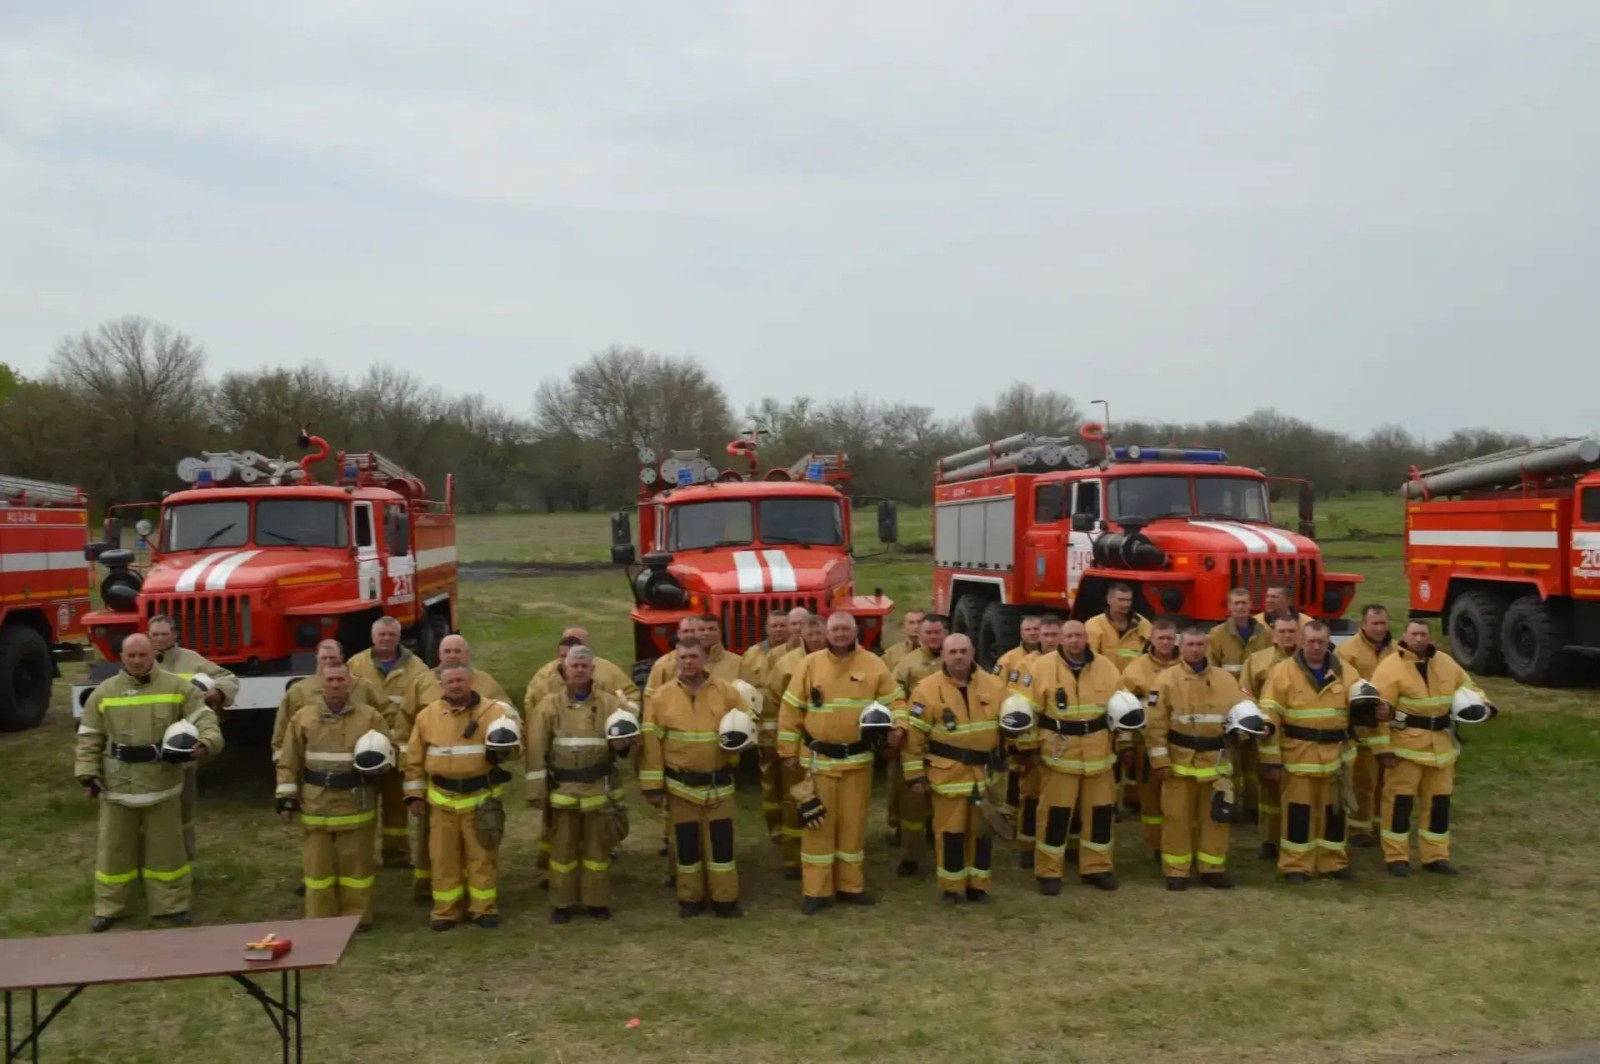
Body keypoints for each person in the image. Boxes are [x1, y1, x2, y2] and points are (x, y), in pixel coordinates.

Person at [75, 633, 222, 931]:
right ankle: (110, 908)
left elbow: (205, 719)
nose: (137, 661)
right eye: (131, 656)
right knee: (113, 852)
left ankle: (171, 907)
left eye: (143, 655)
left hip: (162, 785)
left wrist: (207, 743)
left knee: (167, 852)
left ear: (154, 654)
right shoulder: (104, 693)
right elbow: (89, 737)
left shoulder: (177, 687)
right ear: (121, 657)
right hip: (117, 787)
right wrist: (88, 773)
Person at [780, 611, 905, 914]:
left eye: (845, 629)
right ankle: (816, 891)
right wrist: (787, 751)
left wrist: (899, 726)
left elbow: (897, 701)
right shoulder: (809, 665)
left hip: (857, 763)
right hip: (819, 763)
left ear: (854, 631)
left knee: (853, 826)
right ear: (827, 633)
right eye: (834, 629)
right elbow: (790, 709)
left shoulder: (874, 665)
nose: (839, 634)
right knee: (818, 826)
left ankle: (851, 886)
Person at [405, 663, 521, 930]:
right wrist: (414, 795)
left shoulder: (495, 712)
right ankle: (445, 911)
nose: (455, 685)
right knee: (443, 859)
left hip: (481, 800)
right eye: (450, 682)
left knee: (482, 857)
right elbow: (414, 760)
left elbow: (516, 750)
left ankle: (483, 908)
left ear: (470, 682)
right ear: (441, 686)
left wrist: (505, 751)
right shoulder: (427, 716)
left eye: (460, 680)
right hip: (441, 801)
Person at [275, 664, 392, 928]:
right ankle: (320, 919)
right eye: (331, 680)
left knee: (357, 867)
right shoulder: (303, 718)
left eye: (341, 679)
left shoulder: (370, 717)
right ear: (322, 684)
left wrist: (379, 768)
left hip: (356, 802)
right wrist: (285, 797)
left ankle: (357, 917)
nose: (336, 684)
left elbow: (389, 751)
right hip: (317, 804)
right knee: (318, 869)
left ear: (349, 683)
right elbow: (289, 760)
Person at [640, 638, 751, 918]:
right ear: (677, 659)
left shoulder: (727, 692)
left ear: (704, 659)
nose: (688, 662)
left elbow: (748, 725)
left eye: (693, 656)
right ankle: (690, 899)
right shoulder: (661, 697)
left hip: (718, 785)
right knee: (686, 847)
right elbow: (652, 744)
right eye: (683, 657)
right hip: (681, 787)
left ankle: (725, 900)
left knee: (721, 847)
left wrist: (739, 747)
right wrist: (653, 787)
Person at [1370, 620, 1486, 877]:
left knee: (1438, 805)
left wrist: (1484, 705)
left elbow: (1468, 687)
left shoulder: (1446, 663)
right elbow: (1377, 713)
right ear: (1405, 636)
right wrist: (1382, 749)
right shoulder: (1390, 667)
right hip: (1405, 751)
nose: (1419, 639)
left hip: (1441, 750)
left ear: (1430, 637)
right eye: (1414, 634)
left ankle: (1436, 856)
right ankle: (1396, 857)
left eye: (1423, 634)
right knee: (1399, 805)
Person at [525, 646, 634, 922]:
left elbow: (627, 741)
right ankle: (561, 903)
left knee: (598, 851)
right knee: (562, 851)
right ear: (565, 668)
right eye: (575, 665)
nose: (580, 670)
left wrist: (624, 746)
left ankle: (596, 901)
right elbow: (536, 749)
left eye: (585, 666)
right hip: (563, 792)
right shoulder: (548, 705)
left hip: (598, 790)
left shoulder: (610, 703)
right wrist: (537, 791)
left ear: (593, 669)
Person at [901, 633, 1008, 903]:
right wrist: (914, 775)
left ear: (972, 653)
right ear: (944, 655)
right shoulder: (926, 689)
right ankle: (951, 887)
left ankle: (978, 886)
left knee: (982, 834)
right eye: (953, 652)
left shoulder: (995, 686)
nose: (958, 656)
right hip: (947, 775)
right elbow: (914, 739)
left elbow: (1008, 727)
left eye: (963, 651)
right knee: (950, 834)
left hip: (984, 776)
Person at [1020, 619, 1123, 893]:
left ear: (1087, 638)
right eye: (1070, 636)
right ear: (1061, 639)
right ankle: (1048, 872)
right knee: (1054, 816)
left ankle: (1097, 868)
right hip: (1059, 757)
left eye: (1079, 635)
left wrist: (1123, 743)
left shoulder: (1106, 667)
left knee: (1101, 814)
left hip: (1099, 756)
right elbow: (1027, 711)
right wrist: (1028, 749)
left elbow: (1120, 708)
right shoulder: (1041, 668)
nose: (1075, 640)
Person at [1257, 621, 1361, 884]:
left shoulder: (1345, 671)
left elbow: (1361, 704)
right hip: (1299, 757)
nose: (1316, 647)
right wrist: (1270, 760)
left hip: (1335, 758)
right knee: (1298, 814)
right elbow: (1269, 715)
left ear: (1328, 643)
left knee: (1334, 813)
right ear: (1302, 642)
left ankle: (1333, 862)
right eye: (1311, 641)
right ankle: (1295, 865)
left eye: (1321, 642)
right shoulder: (1282, 672)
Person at [1147, 628, 1246, 890]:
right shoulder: (1166, 680)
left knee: (1216, 819)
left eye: (1200, 644)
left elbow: (1241, 712)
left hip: (1216, 762)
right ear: (1181, 647)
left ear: (1207, 646)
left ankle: (1212, 869)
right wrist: (1160, 760)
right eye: (1190, 644)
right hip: (1179, 762)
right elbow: (1155, 724)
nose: (1195, 649)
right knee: (1176, 819)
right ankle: (1176, 871)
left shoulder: (1225, 680)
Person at [147, 614, 237, 862]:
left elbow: (227, 677)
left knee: (184, 807)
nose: (159, 639)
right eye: (155, 634)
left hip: (183, 746)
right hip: (149, 747)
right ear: (148, 636)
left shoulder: (191, 660)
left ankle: (185, 858)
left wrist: (218, 693)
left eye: (164, 634)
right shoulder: (143, 661)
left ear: (174, 635)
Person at [347, 617, 433, 868]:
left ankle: (397, 854)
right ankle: (360, 855)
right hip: (365, 748)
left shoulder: (418, 668)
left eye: (391, 635)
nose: (386, 639)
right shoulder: (355, 664)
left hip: (400, 748)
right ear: (373, 637)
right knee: (363, 803)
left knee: (397, 804)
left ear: (399, 637)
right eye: (381, 635)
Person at [765, 614, 828, 877]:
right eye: (810, 634)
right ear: (801, 635)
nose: (815, 639)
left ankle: (824, 854)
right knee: (795, 800)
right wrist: (774, 744)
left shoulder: (840, 662)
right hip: (797, 743)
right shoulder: (786, 665)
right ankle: (793, 860)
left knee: (827, 800)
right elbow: (772, 706)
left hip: (830, 747)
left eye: (819, 634)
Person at [1335, 604, 1398, 849]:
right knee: (1362, 781)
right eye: (1375, 624)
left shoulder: (1397, 651)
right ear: (1363, 624)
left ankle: (1381, 824)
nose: (1380, 628)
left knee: (1387, 782)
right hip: (1362, 728)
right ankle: (1358, 828)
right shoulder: (1346, 652)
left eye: (1383, 623)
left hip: (1390, 726)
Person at [889, 612, 947, 874]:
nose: (933, 637)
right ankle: (910, 857)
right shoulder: (906, 665)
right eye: (928, 633)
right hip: (915, 741)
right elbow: (894, 699)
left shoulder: (955, 658)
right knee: (912, 800)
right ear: (920, 635)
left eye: (938, 632)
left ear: (945, 634)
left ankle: (942, 847)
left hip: (947, 741)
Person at [1119, 617, 1181, 856]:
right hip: (1146, 745)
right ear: (1151, 639)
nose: (1165, 642)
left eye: (1169, 638)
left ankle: (1178, 843)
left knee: (1178, 799)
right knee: (1151, 799)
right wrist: (1126, 743)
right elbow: (1123, 708)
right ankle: (1156, 846)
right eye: (1160, 638)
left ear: (1176, 639)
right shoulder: (1135, 669)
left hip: (1181, 744)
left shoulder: (1186, 665)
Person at [1005, 614, 1062, 868]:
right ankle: (1027, 847)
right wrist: (1024, 748)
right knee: (1031, 796)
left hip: (1065, 745)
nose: (1049, 640)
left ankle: (1066, 846)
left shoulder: (1071, 663)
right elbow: (1018, 708)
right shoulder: (1025, 666)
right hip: (1036, 743)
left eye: (1054, 635)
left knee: (1062, 799)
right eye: (1045, 635)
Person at [1242, 616, 1301, 857]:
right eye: (1283, 631)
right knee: (1270, 790)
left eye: (1292, 631)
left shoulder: (1309, 660)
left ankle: (1294, 839)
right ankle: (1269, 840)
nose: (1287, 635)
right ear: (1274, 634)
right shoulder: (1257, 661)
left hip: (1301, 736)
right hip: (1270, 733)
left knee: (1298, 790)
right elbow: (1245, 692)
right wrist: (1259, 719)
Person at [271, 640, 384, 764]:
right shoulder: (299, 691)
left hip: (360, 764)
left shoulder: (364, 687)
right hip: (313, 768)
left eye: (332, 658)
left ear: (341, 658)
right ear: (317, 658)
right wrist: (283, 763)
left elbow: (384, 717)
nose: (328, 661)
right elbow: (283, 730)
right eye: (324, 658)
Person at [742, 611, 793, 842]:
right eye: (775, 626)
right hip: (766, 727)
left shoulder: (798, 656)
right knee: (771, 782)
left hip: (792, 727)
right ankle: (776, 827)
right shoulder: (751, 655)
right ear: (766, 629)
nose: (779, 630)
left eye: (783, 625)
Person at [524, 627, 640, 705]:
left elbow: (632, 697)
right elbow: (532, 708)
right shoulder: (543, 677)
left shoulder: (609, 672)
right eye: (565, 655)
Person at [1085, 583, 1151, 672]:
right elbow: (1089, 659)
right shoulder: (1094, 625)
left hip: (1134, 678)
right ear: (1108, 599)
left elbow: (1154, 654)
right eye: (1121, 600)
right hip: (1105, 677)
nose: (1125, 604)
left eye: (1128, 600)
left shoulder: (1143, 624)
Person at [1207, 589, 1272, 677]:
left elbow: (1270, 664)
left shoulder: (1265, 633)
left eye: (1244, 603)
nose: (1240, 607)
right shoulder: (1217, 634)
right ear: (1229, 606)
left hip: (1257, 684)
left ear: (1250, 604)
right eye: (1236, 603)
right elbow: (1211, 666)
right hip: (1229, 684)